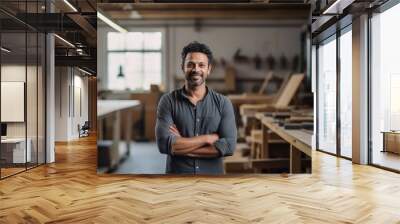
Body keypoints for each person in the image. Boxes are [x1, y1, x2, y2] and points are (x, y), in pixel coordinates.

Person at [155, 41, 237, 174]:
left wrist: (179, 145)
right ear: (183, 67)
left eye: (201, 65)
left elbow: (228, 147)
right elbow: (164, 145)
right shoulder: (168, 101)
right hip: (177, 181)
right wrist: (206, 139)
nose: (196, 69)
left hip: (212, 181)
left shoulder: (223, 103)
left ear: (209, 69)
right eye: (190, 64)